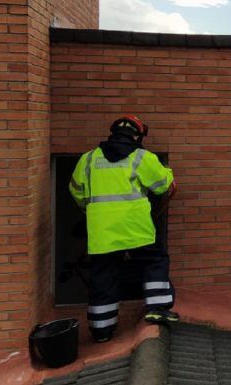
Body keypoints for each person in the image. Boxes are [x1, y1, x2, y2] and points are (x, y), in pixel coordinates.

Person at [69, 115, 177, 343]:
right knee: (154, 260)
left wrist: (92, 210)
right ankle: (157, 308)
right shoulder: (141, 157)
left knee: (103, 276)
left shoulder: (88, 159)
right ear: (137, 135)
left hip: (102, 232)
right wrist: (167, 172)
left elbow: (76, 191)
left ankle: (101, 329)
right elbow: (161, 186)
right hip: (135, 228)